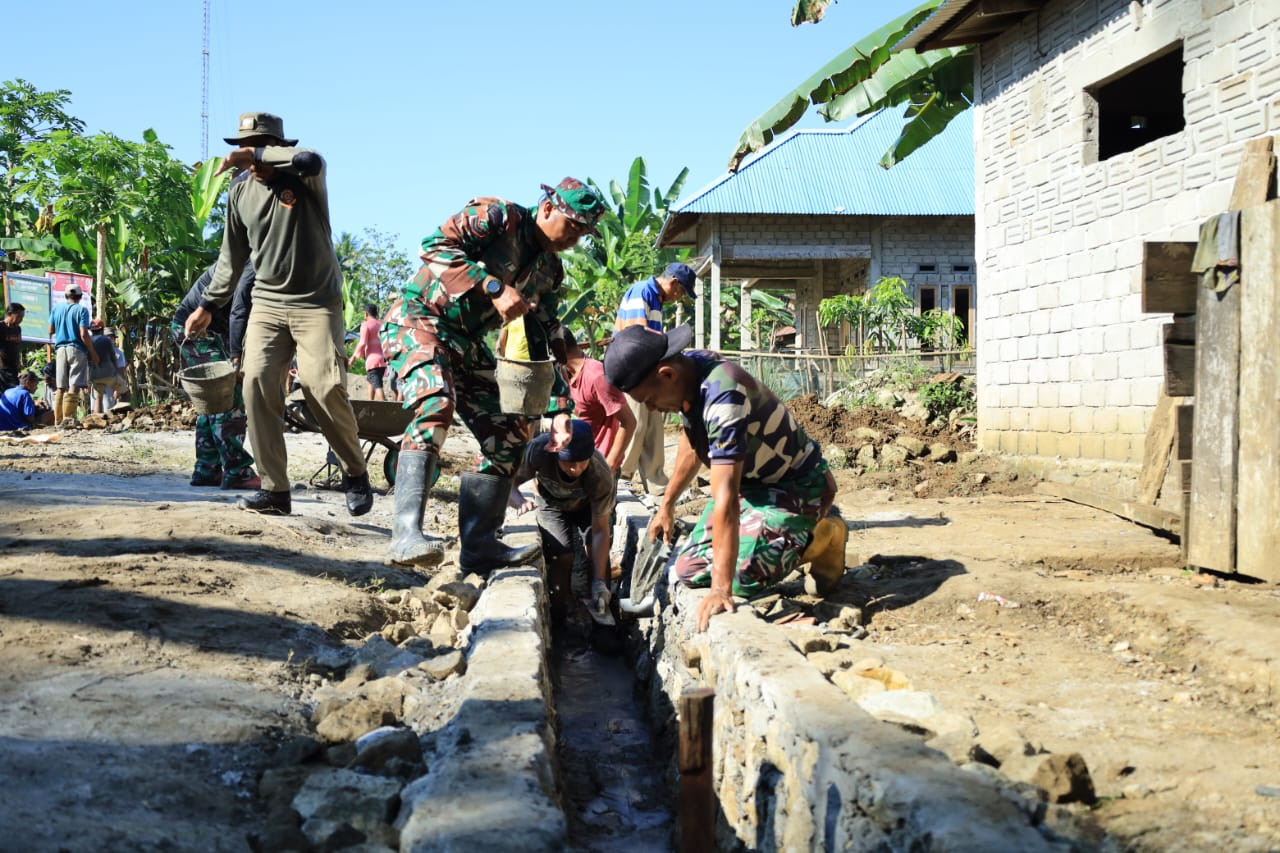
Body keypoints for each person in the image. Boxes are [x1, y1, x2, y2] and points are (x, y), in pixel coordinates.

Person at [380, 177, 608, 570]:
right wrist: (493, 286)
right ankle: (406, 535)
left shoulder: (549, 271)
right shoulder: (499, 217)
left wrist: (559, 408)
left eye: (583, 234)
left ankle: (480, 547)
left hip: (465, 342)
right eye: (572, 226)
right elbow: (432, 247)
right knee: (436, 404)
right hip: (417, 319)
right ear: (548, 208)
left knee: (509, 435)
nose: (574, 239)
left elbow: (546, 334)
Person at [183, 111, 371, 518]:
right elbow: (230, 260)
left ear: (278, 147)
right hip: (267, 304)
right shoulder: (239, 192)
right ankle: (275, 489)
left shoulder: (304, 178)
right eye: (244, 149)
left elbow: (312, 159)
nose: (250, 157)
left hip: (316, 302)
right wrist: (206, 306)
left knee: (322, 386)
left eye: (259, 147)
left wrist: (262, 153)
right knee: (255, 384)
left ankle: (355, 471)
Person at [603, 324, 845, 632]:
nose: (651, 408)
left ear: (667, 374)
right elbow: (693, 444)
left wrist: (721, 589)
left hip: (796, 488)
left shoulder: (723, 395)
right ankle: (779, 540)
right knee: (688, 570)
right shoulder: (689, 374)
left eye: (649, 399)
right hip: (752, 488)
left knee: (737, 577)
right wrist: (667, 505)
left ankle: (824, 535)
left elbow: (726, 498)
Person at [510, 419, 615, 624]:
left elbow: (601, 531)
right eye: (568, 462)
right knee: (561, 554)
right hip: (551, 504)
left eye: (581, 462)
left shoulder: (600, 474)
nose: (575, 469)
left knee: (594, 552)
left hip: (586, 507)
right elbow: (508, 481)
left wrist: (600, 582)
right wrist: (518, 499)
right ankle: (561, 613)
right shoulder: (539, 451)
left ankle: (603, 618)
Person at [173, 262, 260, 490]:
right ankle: (237, 471)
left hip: (205, 329)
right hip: (196, 328)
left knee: (211, 402)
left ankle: (207, 469)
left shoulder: (254, 261)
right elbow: (239, 312)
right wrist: (236, 358)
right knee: (227, 398)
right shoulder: (252, 265)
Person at [613, 262, 697, 495]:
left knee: (654, 427)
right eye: (680, 292)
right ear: (674, 282)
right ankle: (623, 477)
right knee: (636, 423)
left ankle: (656, 482)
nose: (678, 298)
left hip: (648, 370)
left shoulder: (656, 299)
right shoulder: (642, 292)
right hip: (634, 369)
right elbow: (636, 336)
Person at [560, 328, 635, 475]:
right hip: (575, 462)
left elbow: (629, 422)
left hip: (597, 465)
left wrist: (609, 466)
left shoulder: (596, 376)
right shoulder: (565, 374)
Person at [46, 284, 99, 427]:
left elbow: (50, 330)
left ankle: (58, 421)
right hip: (76, 349)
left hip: (60, 349)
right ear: (80, 297)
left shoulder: (57, 309)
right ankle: (68, 420)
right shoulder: (82, 310)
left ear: (65, 296)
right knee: (74, 384)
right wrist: (93, 353)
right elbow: (83, 334)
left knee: (60, 387)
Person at [88, 321, 129, 413]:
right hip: (109, 377)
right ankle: (123, 415)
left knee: (98, 399)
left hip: (95, 377)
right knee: (124, 393)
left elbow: (87, 363)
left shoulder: (90, 343)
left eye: (111, 337)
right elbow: (119, 368)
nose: (110, 339)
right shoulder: (112, 347)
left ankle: (97, 421)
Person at [352, 303, 387, 401]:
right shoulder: (381, 324)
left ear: (366, 314)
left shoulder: (365, 325)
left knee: (378, 387)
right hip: (383, 360)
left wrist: (354, 356)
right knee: (371, 382)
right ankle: (370, 403)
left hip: (373, 361)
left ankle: (386, 410)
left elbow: (362, 343)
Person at [1, 302, 25, 389]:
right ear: (9, 314)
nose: (21, 319)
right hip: (2, 369)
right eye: (19, 316)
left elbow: (18, 346)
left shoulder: (18, 329)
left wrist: (19, 362)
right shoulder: (1, 327)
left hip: (13, 369)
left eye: (22, 317)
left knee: (14, 391)